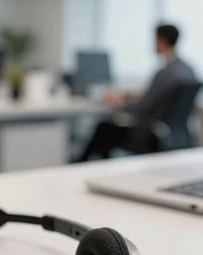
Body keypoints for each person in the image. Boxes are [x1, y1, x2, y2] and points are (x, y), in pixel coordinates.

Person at [77, 24, 197, 162]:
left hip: (152, 134)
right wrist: (136, 95)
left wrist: (119, 103)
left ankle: (80, 164)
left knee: (104, 127)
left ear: (162, 41)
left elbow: (142, 108)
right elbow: (164, 99)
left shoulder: (164, 73)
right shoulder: (188, 70)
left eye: (155, 39)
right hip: (177, 135)